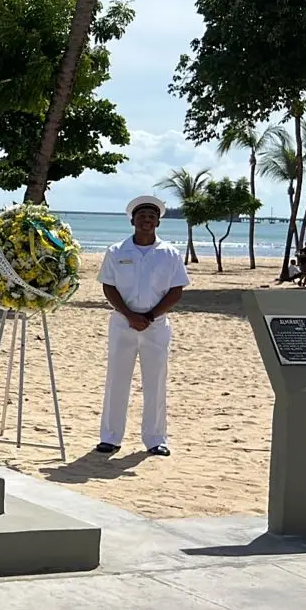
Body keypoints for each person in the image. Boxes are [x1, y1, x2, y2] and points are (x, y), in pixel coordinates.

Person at [96, 195, 190, 457]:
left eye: (151, 217)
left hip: (156, 326)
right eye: (141, 216)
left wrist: (148, 317)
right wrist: (129, 315)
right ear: (132, 220)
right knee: (117, 381)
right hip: (122, 324)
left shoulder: (169, 253)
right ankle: (110, 438)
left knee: (155, 382)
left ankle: (155, 439)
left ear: (158, 221)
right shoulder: (116, 251)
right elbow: (109, 286)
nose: (146, 221)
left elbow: (176, 291)